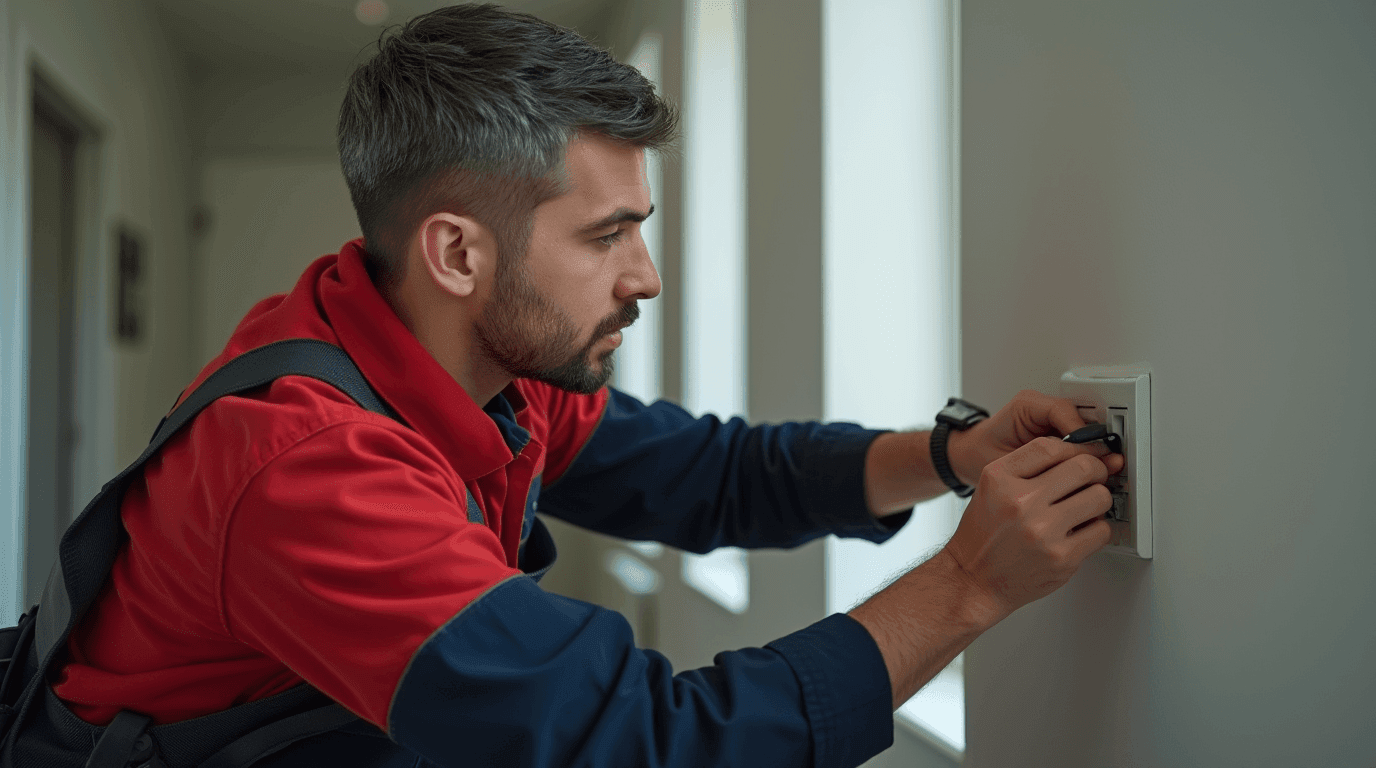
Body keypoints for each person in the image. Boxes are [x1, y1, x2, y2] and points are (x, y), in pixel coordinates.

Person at [47, 4, 1125, 766]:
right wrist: (970, 584)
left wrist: (945, 460)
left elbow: (707, 475)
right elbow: (636, 745)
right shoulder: (308, 473)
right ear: (457, 255)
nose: (643, 277)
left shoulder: (474, 366)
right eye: (606, 237)